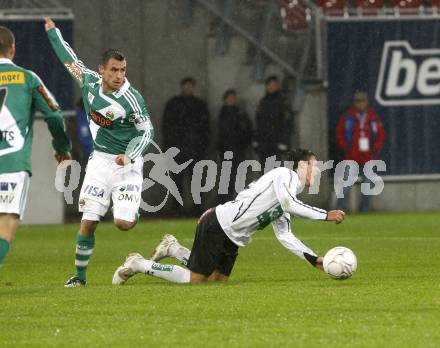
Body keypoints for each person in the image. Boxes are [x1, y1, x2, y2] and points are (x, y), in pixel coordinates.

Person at [112, 149, 345, 285]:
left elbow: (285, 236)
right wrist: (326, 215)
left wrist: (315, 259)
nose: (316, 170)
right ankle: (139, 264)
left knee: (216, 281)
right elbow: (288, 203)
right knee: (196, 279)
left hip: (233, 236)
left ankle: (172, 248)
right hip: (219, 223)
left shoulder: (288, 192)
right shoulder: (285, 174)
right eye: (314, 165)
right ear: (301, 165)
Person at [44, 17, 155, 287]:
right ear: (102, 70)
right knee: (89, 221)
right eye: (114, 70)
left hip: (127, 163)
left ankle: (131, 210)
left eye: (123, 71)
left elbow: (147, 131)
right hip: (101, 161)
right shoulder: (89, 82)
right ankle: (79, 278)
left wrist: (130, 155)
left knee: (123, 224)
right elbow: (69, 60)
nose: (119, 76)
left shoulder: (132, 99)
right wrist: (53, 33)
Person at [0, 26, 71, 270]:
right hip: (12, 161)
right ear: (13, 49)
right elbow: (53, 115)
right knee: (6, 220)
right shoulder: (28, 78)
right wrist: (61, 146)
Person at [161, 77, 210, 212]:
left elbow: (205, 129)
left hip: (195, 150)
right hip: (178, 150)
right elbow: (167, 128)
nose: (188, 88)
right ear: (182, 87)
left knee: (196, 181)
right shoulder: (173, 104)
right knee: (177, 181)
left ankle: (197, 209)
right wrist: (170, 148)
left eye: (190, 86)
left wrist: (202, 146)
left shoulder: (200, 105)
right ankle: (176, 208)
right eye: (186, 86)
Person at [336, 91, 385, 212]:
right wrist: (346, 148)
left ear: (366, 102)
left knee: (368, 185)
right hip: (351, 157)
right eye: (358, 101)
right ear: (354, 103)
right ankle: (340, 209)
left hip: (368, 157)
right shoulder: (347, 117)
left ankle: (364, 210)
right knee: (345, 185)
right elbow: (339, 134)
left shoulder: (373, 118)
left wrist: (375, 149)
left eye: (362, 101)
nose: (360, 104)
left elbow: (381, 135)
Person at [216, 89, 252, 203]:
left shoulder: (241, 114)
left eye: (233, 98)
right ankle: (224, 202)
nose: (232, 100)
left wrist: (243, 144)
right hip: (226, 151)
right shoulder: (223, 114)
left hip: (238, 151)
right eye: (230, 98)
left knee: (237, 178)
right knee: (226, 178)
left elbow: (248, 131)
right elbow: (220, 134)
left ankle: (236, 202)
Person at [253, 75, 293, 166]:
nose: (271, 87)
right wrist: (256, 140)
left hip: (277, 144)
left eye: (274, 85)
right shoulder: (262, 102)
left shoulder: (283, 102)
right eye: (269, 85)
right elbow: (258, 122)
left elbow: (287, 124)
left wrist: (284, 142)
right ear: (266, 87)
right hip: (263, 144)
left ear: (277, 86)